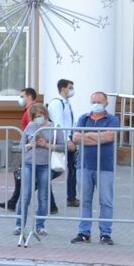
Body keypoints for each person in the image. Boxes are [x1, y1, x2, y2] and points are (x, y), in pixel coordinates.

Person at [71, 92, 119, 245]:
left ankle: (105, 234)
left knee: (106, 201)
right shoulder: (83, 118)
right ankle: (84, 232)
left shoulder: (112, 119)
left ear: (106, 103)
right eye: (93, 101)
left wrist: (87, 137)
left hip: (105, 167)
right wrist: (98, 137)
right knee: (85, 201)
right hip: (84, 166)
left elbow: (109, 137)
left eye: (99, 101)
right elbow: (76, 138)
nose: (96, 104)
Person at [16, 103, 53, 241]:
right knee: (25, 195)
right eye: (36, 117)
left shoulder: (54, 127)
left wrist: (46, 144)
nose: (38, 119)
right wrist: (30, 145)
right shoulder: (30, 127)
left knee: (43, 196)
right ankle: (19, 225)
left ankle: (40, 225)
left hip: (44, 165)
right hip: (28, 164)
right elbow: (20, 147)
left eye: (41, 116)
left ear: (45, 114)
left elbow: (63, 146)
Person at [50, 78, 79, 208]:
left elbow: (70, 122)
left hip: (70, 139)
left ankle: (72, 197)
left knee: (72, 169)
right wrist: (67, 140)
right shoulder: (57, 103)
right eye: (70, 88)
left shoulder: (67, 103)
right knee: (56, 168)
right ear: (63, 88)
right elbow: (59, 124)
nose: (72, 90)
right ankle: (37, 181)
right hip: (61, 141)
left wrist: (74, 137)